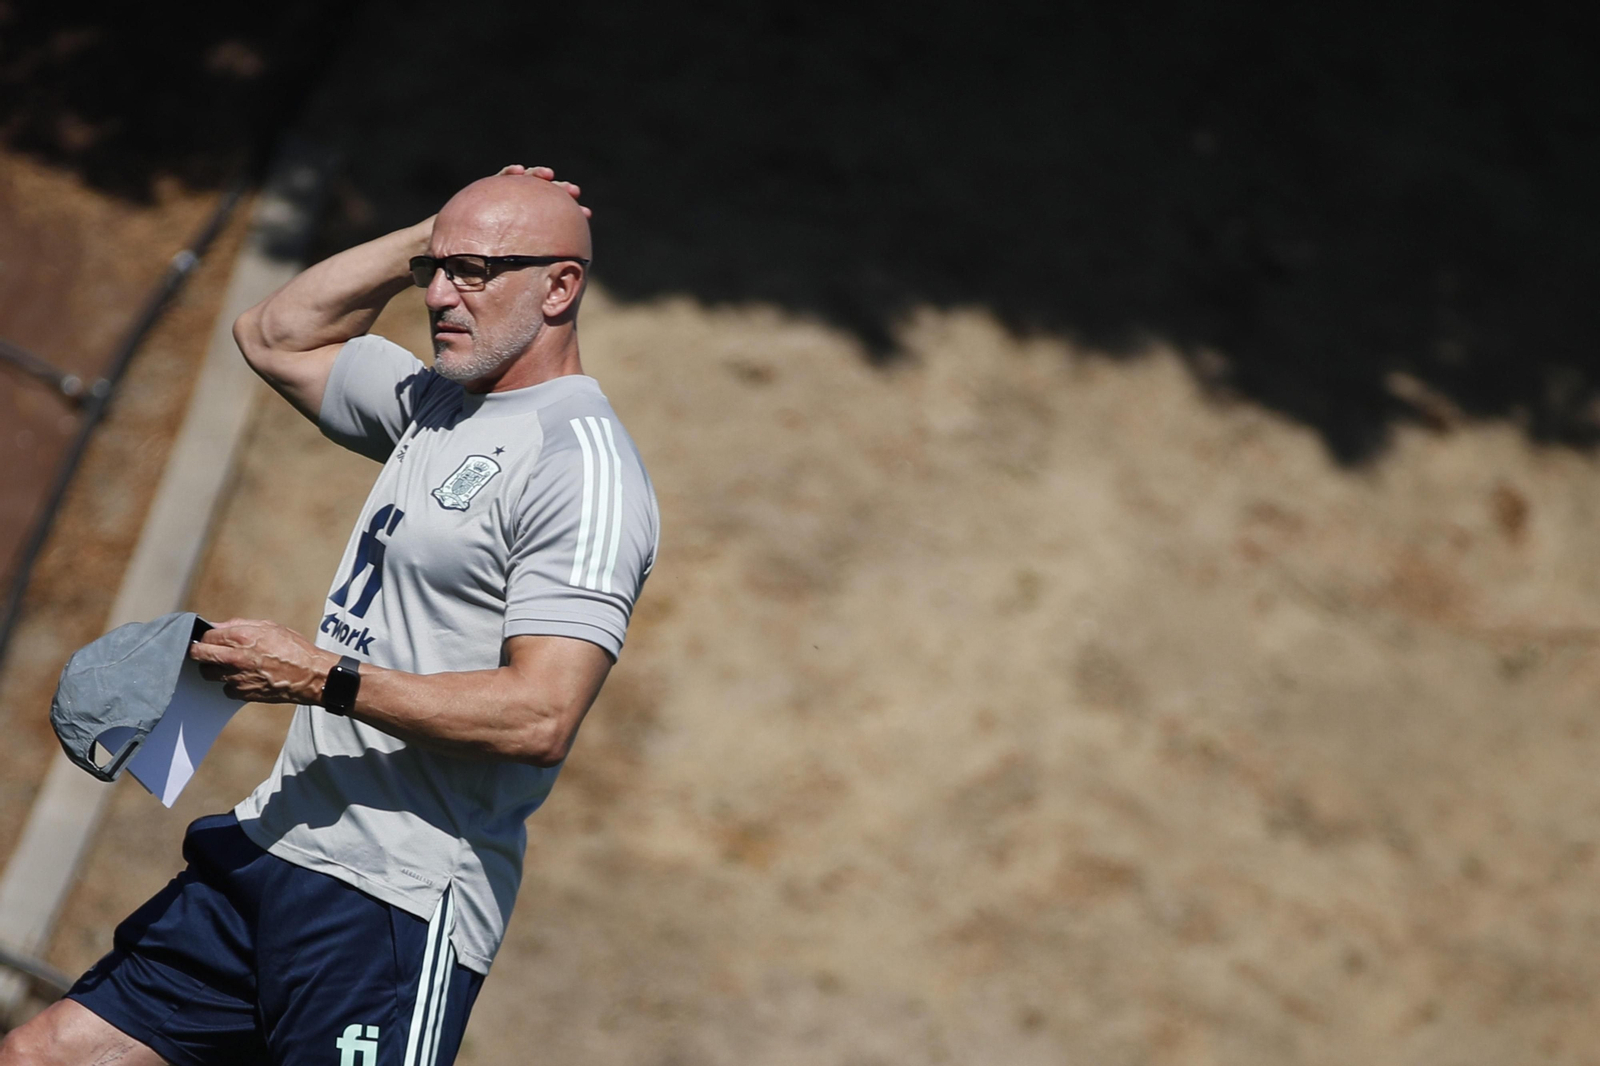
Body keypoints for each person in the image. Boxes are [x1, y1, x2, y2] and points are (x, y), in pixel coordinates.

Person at [1, 166, 659, 1066]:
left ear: (559, 286)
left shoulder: (580, 468)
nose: (436, 294)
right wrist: (431, 231)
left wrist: (320, 678)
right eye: (436, 267)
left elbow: (541, 714)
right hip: (279, 846)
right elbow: (273, 333)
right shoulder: (434, 405)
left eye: (473, 271)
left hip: (395, 906)